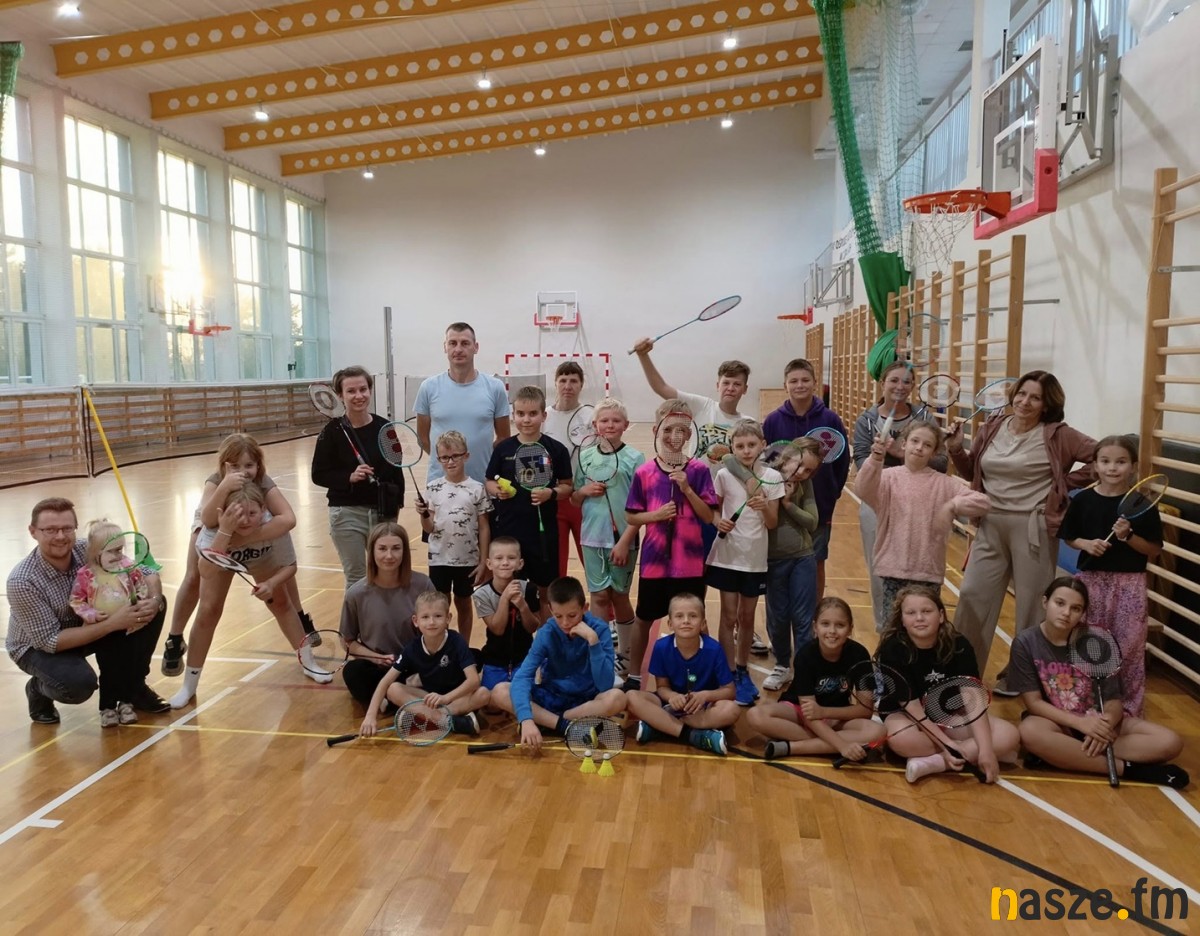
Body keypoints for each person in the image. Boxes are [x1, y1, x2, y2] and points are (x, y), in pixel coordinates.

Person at [947, 370, 1096, 691]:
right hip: (990, 524)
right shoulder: (992, 427)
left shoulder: (1058, 435)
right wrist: (957, 450)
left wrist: (1064, 483)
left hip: (1034, 528)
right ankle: (964, 673)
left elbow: (1103, 457)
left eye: (1035, 398)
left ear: (1047, 405)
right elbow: (973, 471)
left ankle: (1022, 677)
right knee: (972, 595)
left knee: (1031, 605)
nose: (1025, 402)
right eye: (1022, 394)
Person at [628, 338, 763, 650]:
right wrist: (643, 356)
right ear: (718, 384)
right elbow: (661, 387)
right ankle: (689, 626)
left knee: (729, 574)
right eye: (726, 382)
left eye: (737, 384)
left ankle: (738, 628)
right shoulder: (702, 406)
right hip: (692, 503)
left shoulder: (748, 424)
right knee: (691, 573)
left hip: (727, 508)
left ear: (745, 389)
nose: (730, 388)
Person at [1010, 577, 1187, 788]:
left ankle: (1064, 754)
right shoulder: (1025, 642)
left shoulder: (1095, 641)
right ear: (1045, 602)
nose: (1066, 613)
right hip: (1059, 724)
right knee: (1030, 731)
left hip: (1099, 723)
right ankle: (1130, 770)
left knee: (1170, 741)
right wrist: (1080, 724)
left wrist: (1104, 725)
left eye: (1076, 608)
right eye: (1060, 603)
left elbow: (1113, 701)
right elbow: (1034, 703)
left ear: (1083, 613)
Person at [163, 433, 315, 678]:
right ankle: (174, 638)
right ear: (224, 466)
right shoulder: (216, 481)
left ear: (258, 465)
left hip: (246, 529)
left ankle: (299, 618)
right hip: (216, 528)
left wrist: (244, 539)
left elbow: (288, 520)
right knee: (194, 580)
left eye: (248, 465)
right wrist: (225, 489)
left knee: (280, 586)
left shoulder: (263, 482)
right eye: (235, 466)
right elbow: (208, 520)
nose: (243, 472)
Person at [7, 497, 169, 725]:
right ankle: (38, 688)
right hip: (38, 648)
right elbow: (50, 641)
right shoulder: (22, 581)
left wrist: (153, 600)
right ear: (33, 532)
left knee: (154, 607)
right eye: (50, 530)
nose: (60, 536)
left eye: (67, 528)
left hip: (92, 626)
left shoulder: (90, 548)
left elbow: (145, 571)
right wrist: (113, 624)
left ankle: (135, 687)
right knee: (78, 685)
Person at [170, 483, 332, 709]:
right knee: (207, 612)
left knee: (281, 603)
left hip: (262, 555)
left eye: (252, 513)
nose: (245, 520)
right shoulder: (212, 530)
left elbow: (291, 566)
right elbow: (205, 572)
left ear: (263, 510)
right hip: (221, 557)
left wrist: (271, 583)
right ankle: (189, 686)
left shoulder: (273, 526)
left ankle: (309, 664)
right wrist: (224, 533)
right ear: (224, 514)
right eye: (238, 515)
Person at [1059, 435, 1162, 717]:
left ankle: (1127, 712)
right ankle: (1085, 706)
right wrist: (1086, 544)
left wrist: (1128, 536)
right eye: (1105, 461)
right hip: (1091, 582)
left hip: (1130, 585)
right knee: (1087, 645)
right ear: (1095, 465)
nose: (1112, 468)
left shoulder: (1142, 504)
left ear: (1133, 466)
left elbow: (1153, 550)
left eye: (1121, 462)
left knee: (1128, 649)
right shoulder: (1083, 500)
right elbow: (1069, 537)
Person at [876, 585, 1019, 783]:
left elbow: (974, 700)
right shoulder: (892, 649)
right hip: (906, 715)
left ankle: (935, 762)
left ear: (941, 615)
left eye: (927, 611)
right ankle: (967, 752)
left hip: (947, 714)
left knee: (1009, 734)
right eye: (911, 613)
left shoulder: (959, 645)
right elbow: (912, 707)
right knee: (902, 740)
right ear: (902, 620)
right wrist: (948, 745)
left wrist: (986, 750)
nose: (919, 618)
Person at [624, 399, 718, 691]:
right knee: (644, 618)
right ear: (656, 430)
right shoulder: (644, 473)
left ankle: (701, 675)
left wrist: (687, 488)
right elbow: (631, 515)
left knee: (696, 620)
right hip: (654, 563)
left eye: (681, 430)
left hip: (689, 563)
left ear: (689, 434)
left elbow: (708, 516)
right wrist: (655, 516)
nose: (674, 436)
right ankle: (634, 676)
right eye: (667, 429)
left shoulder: (699, 470)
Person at [856, 420, 990, 621]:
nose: (919, 448)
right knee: (893, 629)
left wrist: (953, 505)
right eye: (915, 441)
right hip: (893, 570)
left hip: (927, 573)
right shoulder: (888, 478)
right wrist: (875, 458)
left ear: (934, 453)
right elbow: (862, 489)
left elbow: (983, 502)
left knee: (924, 629)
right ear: (904, 444)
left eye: (927, 445)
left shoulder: (944, 484)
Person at [852, 361, 949, 630]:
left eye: (906, 381)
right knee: (879, 574)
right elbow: (861, 464)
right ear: (882, 383)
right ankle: (886, 633)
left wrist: (898, 454)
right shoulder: (867, 421)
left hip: (921, 507)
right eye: (894, 380)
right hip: (878, 504)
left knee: (920, 577)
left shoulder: (925, 419)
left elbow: (941, 463)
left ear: (913, 386)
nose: (900, 386)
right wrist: (877, 458)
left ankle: (920, 634)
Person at [491, 576, 627, 751]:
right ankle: (565, 726)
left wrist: (593, 641)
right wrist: (526, 719)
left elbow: (605, 684)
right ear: (550, 609)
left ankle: (548, 722)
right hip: (552, 695)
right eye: (558, 616)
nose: (565, 623)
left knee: (617, 698)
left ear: (584, 608)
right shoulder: (546, 632)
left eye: (572, 615)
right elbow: (523, 676)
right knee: (500, 691)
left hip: (585, 702)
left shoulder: (599, 630)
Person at [747, 597, 884, 761]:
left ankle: (792, 748)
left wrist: (824, 712)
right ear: (815, 627)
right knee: (755, 715)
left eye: (840, 625)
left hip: (836, 715)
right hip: (798, 711)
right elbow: (809, 715)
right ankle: (830, 744)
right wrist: (842, 745)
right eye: (825, 624)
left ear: (850, 629)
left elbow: (865, 710)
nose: (832, 631)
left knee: (879, 732)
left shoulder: (859, 654)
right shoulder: (805, 655)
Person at [706, 419, 783, 706]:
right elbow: (713, 510)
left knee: (747, 617)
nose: (746, 450)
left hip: (754, 559)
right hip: (728, 556)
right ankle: (727, 674)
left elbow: (772, 523)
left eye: (751, 445)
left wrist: (765, 508)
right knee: (728, 616)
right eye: (740, 446)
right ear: (733, 449)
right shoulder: (724, 475)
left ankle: (741, 670)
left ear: (763, 445)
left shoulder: (772, 477)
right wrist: (719, 522)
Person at [763, 357, 850, 605]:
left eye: (805, 380)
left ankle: (813, 617)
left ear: (814, 382)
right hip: (780, 507)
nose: (799, 385)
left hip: (818, 507)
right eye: (794, 381)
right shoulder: (773, 421)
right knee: (778, 564)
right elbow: (766, 462)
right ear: (785, 385)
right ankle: (781, 617)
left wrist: (831, 494)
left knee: (815, 562)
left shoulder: (830, 420)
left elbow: (842, 462)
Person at [570, 397, 645, 681]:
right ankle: (602, 657)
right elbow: (575, 499)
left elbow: (640, 507)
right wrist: (584, 491)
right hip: (592, 537)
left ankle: (625, 656)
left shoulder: (635, 458)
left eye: (616, 420)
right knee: (599, 596)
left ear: (626, 425)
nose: (610, 425)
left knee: (619, 595)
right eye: (604, 420)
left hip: (623, 538)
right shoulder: (585, 456)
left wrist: (626, 540)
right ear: (595, 425)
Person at [311, 366, 404, 588]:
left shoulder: (384, 427)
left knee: (387, 575)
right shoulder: (332, 431)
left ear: (370, 391)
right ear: (340, 395)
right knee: (357, 579)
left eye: (363, 389)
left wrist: (395, 507)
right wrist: (349, 477)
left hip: (382, 512)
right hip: (347, 513)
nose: (358, 396)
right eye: (351, 391)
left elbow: (396, 469)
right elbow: (318, 474)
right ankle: (356, 613)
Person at [485, 385, 573, 615]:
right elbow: (489, 481)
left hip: (543, 535)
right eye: (521, 414)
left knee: (545, 592)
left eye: (533, 414)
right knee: (511, 590)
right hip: (509, 533)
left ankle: (543, 636)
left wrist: (551, 493)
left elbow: (567, 486)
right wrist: (498, 491)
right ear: (513, 415)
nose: (526, 419)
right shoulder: (503, 448)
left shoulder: (557, 450)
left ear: (544, 415)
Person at [359, 591, 490, 738]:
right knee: (393, 689)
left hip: (455, 697)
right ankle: (448, 721)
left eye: (438, 616)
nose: (431, 622)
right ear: (416, 621)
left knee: (483, 694)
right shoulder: (412, 648)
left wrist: (445, 698)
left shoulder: (457, 641)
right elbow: (385, 681)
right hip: (429, 698)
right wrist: (370, 717)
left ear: (448, 618)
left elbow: (473, 680)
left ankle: (430, 718)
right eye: (425, 617)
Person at [625, 593, 738, 756]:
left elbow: (730, 691)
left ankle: (661, 727)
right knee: (631, 697)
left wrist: (705, 695)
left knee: (732, 710)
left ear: (703, 623)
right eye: (679, 616)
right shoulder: (661, 647)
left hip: (702, 708)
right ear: (670, 624)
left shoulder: (714, 649)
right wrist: (672, 696)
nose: (686, 621)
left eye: (693, 616)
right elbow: (662, 687)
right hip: (670, 705)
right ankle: (693, 735)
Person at [339, 522, 435, 708]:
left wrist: (417, 659)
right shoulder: (356, 594)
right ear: (372, 551)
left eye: (396, 548)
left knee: (467, 659)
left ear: (404, 551)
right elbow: (347, 641)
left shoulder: (423, 585)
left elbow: (437, 631)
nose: (389, 556)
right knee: (353, 671)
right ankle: (404, 697)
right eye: (382, 549)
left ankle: (391, 700)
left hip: (415, 664)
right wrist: (375, 657)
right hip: (379, 667)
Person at [415, 322, 512, 485]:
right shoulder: (428, 387)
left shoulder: (495, 387)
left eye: (465, 343)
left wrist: (482, 456)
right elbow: (422, 438)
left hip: (483, 482)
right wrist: (447, 460)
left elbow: (503, 437)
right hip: (440, 484)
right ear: (445, 347)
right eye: (453, 343)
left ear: (476, 347)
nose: (458, 349)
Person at [418, 430, 492, 644]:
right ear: (438, 459)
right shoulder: (433, 488)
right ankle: (442, 645)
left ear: (466, 456)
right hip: (439, 559)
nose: (450, 462)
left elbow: (484, 527)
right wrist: (423, 514)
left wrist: (483, 561)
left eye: (455, 456)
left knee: (464, 602)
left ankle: (463, 646)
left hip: (467, 559)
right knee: (440, 605)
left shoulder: (477, 489)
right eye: (444, 457)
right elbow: (429, 527)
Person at [472, 537, 541, 691]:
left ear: (520, 563)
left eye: (511, 558)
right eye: (499, 558)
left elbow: (533, 627)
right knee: (491, 698)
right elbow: (497, 629)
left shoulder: (529, 589)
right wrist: (504, 598)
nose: (505, 563)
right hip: (494, 660)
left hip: (524, 659)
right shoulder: (482, 594)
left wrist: (523, 606)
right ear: (489, 563)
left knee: (521, 694)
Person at [543, 361, 588, 576]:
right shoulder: (544, 416)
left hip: (584, 499)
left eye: (573, 381)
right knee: (556, 564)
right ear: (555, 383)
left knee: (591, 561)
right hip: (554, 499)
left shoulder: (591, 416)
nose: (567, 386)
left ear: (581, 384)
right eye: (562, 380)